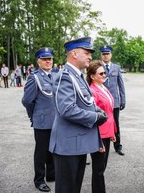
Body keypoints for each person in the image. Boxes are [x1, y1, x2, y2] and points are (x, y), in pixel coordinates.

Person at [49, 37, 107, 193]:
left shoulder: (78, 76)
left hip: (77, 145)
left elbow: (86, 102)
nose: (90, 57)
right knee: (67, 189)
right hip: (67, 146)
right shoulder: (66, 76)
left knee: (74, 188)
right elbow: (67, 109)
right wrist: (95, 117)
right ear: (74, 53)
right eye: (86, 53)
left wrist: (96, 110)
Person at [22, 47, 57, 192]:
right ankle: (39, 180)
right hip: (42, 122)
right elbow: (27, 101)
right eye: (44, 59)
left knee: (52, 150)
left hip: (55, 121)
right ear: (38, 61)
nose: (48, 61)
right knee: (41, 152)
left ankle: (51, 174)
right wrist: (34, 116)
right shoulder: (34, 77)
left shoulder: (55, 75)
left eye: (50, 58)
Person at [87, 60, 117, 192]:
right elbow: (94, 117)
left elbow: (110, 113)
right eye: (101, 73)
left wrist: (113, 132)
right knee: (99, 169)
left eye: (105, 72)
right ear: (92, 76)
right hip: (98, 135)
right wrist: (98, 141)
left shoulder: (103, 87)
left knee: (102, 167)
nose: (104, 75)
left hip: (107, 132)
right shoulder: (92, 91)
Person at [100, 45, 126, 156]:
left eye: (107, 54)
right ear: (101, 55)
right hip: (101, 102)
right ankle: (100, 145)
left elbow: (121, 85)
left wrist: (122, 99)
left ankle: (117, 146)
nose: (106, 56)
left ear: (111, 55)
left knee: (115, 124)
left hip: (114, 102)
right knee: (100, 123)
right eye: (104, 54)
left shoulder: (116, 67)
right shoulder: (98, 66)